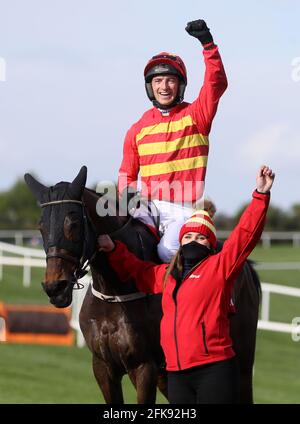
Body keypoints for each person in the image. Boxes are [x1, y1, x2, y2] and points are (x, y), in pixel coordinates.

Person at [98, 165, 275, 404]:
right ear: (180, 243)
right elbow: (139, 271)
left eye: (201, 237)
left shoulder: (219, 267)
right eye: (188, 237)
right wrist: (114, 249)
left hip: (214, 370)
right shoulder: (169, 275)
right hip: (177, 374)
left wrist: (260, 195)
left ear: (210, 245)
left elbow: (246, 234)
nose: (194, 241)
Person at [118, 19, 228, 262]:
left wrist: (208, 45)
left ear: (180, 85)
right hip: (147, 207)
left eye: (170, 80)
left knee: (165, 250)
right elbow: (127, 174)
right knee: (120, 240)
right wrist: (126, 197)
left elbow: (216, 83)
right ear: (150, 86)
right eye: (157, 81)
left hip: (185, 210)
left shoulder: (197, 116)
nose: (164, 86)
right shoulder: (137, 129)